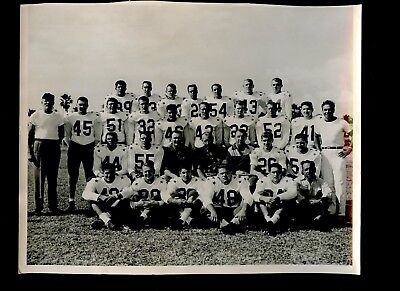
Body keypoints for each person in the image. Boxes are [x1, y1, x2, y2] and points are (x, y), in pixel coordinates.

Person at [314, 100, 352, 222]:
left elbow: (355, 134)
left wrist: (349, 149)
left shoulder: (341, 122)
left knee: (340, 183)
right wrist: (319, 149)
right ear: (322, 110)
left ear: (333, 109)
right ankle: (331, 211)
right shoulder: (319, 123)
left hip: (338, 153)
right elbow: (315, 136)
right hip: (325, 153)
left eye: (329, 109)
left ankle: (341, 213)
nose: (327, 112)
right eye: (325, 109)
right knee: (328, 183)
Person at [28, 93, 65, 215]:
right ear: (42, 102)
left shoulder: (58, 116)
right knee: (39, 178)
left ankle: (53, 206)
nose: (48, 103)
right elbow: (29, 135)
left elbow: (61, 133)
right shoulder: (35, 115)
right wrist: (30, 152)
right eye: (45, 101)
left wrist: (55, 143)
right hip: (39, 145)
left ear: (53, 102)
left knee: (52, 177)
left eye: (50, 101)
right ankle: (39, 207)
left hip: (53, 146)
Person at [64, 96, 101, 212]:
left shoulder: (94, 117)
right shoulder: (71, 117)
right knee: (73, 175)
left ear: (87, 105)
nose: (82, 106)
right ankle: (71, 201)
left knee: (90, 176)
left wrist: (90, 146)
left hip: (89, 147)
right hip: (75, 147)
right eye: (80, 104)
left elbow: (97, 136)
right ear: (77, 105)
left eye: (84, 104)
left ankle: (91, 202)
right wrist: (73, 146)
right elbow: (66, 136)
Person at [200, 164, 253, 234]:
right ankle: (231, 225)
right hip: (219, 209)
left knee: (247, 206)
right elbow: (206, 198)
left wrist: (243, 210)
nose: (224, 175)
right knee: (205, 209)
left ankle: (228, 224)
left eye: (227, 173)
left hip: (235, 210)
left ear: (231, 173)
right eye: (222, 173)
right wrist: (213, 211)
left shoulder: (240, 181)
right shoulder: (212, 181)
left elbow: (248, 197)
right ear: (218, 175)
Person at [82, 163, 131, 231]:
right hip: (102, 205)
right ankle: (107, 220)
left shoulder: (122, 179)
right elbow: (85, 194)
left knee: (124, 201)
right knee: (93, 201)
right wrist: (99, 196)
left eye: (111, 173)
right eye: (107, 173)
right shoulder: (96, 181)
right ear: (102, 172)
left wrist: (116, 196)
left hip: (116, 206)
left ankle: (104, 220)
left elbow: (130, 190)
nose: (109, 175)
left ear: (115, 172)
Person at [253, 163, 297, 236]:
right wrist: (264, 198)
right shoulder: (263, 180)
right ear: (269, 173)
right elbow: (255, 195)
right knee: (260, 198)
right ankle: (269, 221)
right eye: (273, 172)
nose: (275, 175)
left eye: (278, 172)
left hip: (281, 208)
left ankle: (270, 223)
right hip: (267, 207)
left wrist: (278, 198)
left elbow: (293, 192)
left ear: (281, 172)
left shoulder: (287, 180)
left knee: (286, 199)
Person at [120, 161, 167, 229]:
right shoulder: (138, 182)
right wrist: (138, 203)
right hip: (141, 207)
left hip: (155, 209)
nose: (147, 173)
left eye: (150, 171)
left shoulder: (161, 181)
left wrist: (156, 203)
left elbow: (165, 199)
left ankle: (142, 218)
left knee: (157, 199)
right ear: (142, 172)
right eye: (145, 171)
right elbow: (132, 197)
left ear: (153, 171)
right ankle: (142, 218)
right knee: (125, 202)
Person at [295, 160, 335, 231]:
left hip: (316, 205)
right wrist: (306, 201)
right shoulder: (297, 181)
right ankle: (312, 221)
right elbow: (296, 194)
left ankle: (318, 220)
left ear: (315, 169)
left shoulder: (320, 181)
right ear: (302, 171)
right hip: (303, 205)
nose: (309, 171)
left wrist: (318, 201)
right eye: (306, 169)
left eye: (311, 169)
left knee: (326, 200)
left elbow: (328, 192)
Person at [162, 165, 204, 229]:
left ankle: (180, 221)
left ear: (191, 172)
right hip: (179, 207)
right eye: (183, 173)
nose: (186, 175)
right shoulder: (174, 181)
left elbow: (203, 194)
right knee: (173, 200)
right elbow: (166, 195)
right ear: (179, 173)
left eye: (188, 172)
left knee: (193, 203)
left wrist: (195, 199)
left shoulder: (197, 181)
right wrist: (175, 200)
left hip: (193, 207)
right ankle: (188, 220)